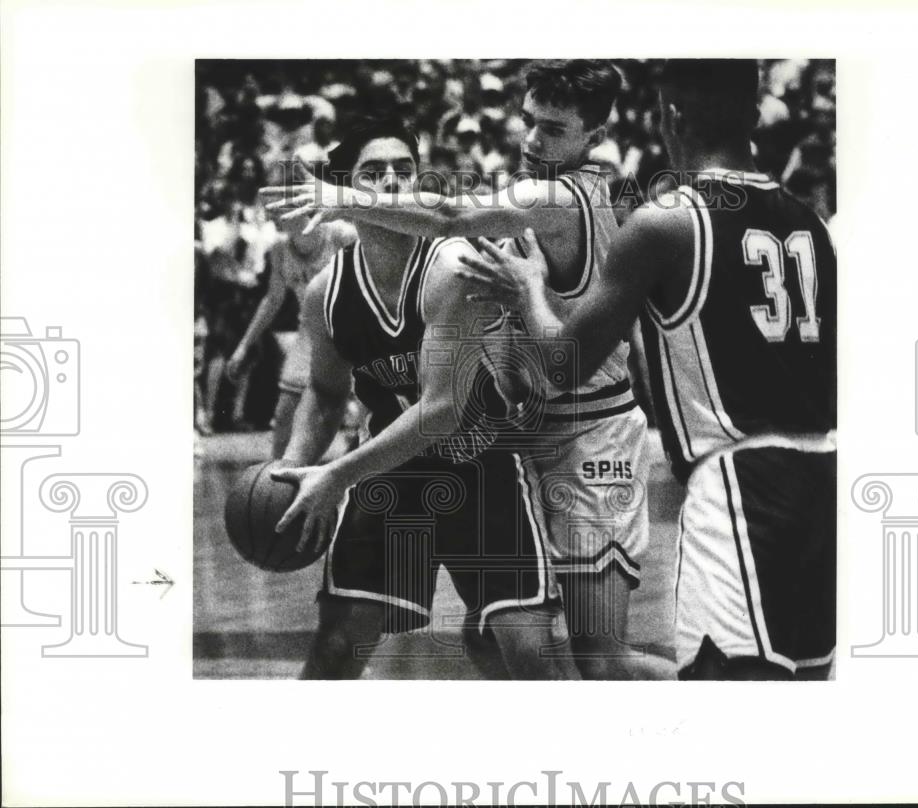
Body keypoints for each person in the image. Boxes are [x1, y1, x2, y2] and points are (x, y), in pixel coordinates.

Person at [268, 60, 672, 680]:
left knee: (601, 660)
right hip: (527, 433)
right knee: (489, 641)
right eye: (529, 123)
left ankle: (720, 703)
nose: (533, 141)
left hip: (587, 438)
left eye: (554, 130)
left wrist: (341, 195)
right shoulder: (338, 286)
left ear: (594, 137)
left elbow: (453, 221)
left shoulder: (552, 196)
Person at [456, 59, 837, 681]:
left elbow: (566, 362)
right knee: (800, 689)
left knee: (720, 689)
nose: (532, 140)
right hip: (824, 476)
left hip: (739, 482)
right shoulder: (811, 224)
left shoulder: (664, 222)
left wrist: (527, 287)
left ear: (671, 117)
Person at [262, 117, 574, 680]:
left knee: (526, 658)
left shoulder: (455, 263)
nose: (391, 183)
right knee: (334, 649)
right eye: (373, 173)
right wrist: (291, 467)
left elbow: (441, 411)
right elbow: (327, 394)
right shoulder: (323, 294)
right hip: (389, 478)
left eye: (403, 171)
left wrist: (334, 477)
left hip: (480, 466)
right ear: (343, 190)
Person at [225, 207, 356, 457]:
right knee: (285, 414)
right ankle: (277, 484)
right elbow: (273, 299)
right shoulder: (279, 250)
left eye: (278, 206)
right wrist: (243, 346)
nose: (272, 213)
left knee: (369, 416)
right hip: (311, 331)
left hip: (356, 329)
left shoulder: (340, 235)